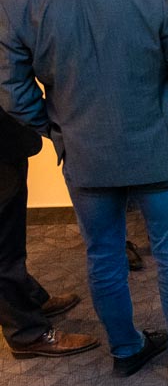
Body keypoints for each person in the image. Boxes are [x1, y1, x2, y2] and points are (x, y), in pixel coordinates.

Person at [0, 0, 168, 385]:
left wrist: (57, 129)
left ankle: (126, 349)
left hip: (85, 154)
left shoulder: (14, 2)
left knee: (104, 255)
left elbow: (12, 92)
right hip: (159, 146)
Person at [0, 105, 96, 359]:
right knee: (3, 251)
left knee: (11, 238)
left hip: (7, 143)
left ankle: (30, 300)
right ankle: (27, 334)